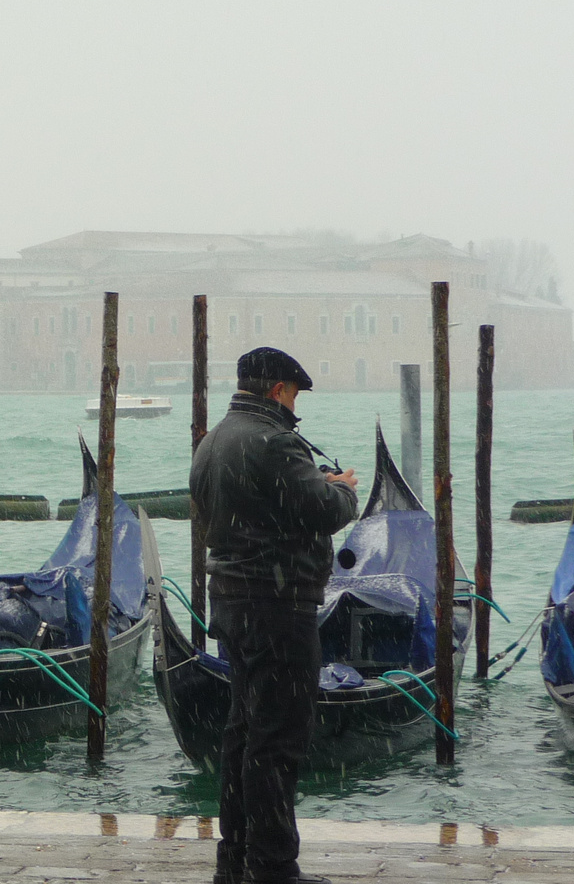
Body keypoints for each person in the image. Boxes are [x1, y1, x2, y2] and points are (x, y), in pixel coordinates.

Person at [190, 347, 358, 884]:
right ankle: (273, 867)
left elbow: (251, 511)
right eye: (295, 395)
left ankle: (234, 861)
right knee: (277, 740)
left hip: (232, 604)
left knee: (243, 735)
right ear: (281, 390)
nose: (295, 405)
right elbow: (322, 511)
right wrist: (344, 492)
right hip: (278, 608)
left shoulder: (213, 440)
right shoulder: (276, 442)